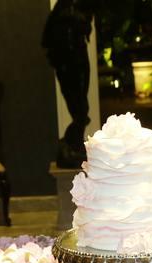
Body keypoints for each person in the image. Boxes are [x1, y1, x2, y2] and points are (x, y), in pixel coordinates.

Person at [42, 0, 97, 168]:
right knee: (79, 109)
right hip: (66, 60)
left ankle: (74, 144)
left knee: (82, 107)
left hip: (79, 56)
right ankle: (68, 144)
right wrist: (59, 60)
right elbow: (47, 40)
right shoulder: (62, 8)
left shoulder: (83, 7)